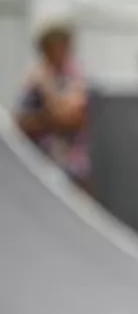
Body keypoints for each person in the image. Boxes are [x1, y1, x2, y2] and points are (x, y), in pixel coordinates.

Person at [14, 20, 92, 193]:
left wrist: (47, 88)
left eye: (59, 48)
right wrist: (50, 119)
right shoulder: (34, 79)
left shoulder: (73, 78)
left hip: (70, 161)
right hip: (38, 157)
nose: (55, 54)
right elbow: (20, 122)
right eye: (49, 49)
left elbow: (70, 118)